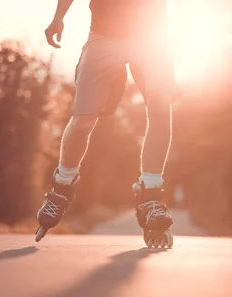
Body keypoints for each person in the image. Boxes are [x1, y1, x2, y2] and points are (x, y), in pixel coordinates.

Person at [35, 0, 180, 243]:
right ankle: (61, 186)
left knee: (160, 106)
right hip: (105, 34)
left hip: (152, 37)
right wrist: (58, 16)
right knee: (83, 120)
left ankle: (151, 193)